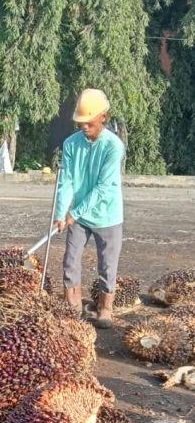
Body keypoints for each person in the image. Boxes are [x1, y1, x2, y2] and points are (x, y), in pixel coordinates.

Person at [53, 88, 125, 328]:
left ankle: (105, 308)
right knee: (70, 260)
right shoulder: (71, 144)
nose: (84, 126)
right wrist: (61, 214)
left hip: (107, 214)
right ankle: (72, 307)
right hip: (78, 217)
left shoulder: (113, 146)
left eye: (89, 121)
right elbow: (67, 182)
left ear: (103, 116)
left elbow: (104, 188)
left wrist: (75, 213)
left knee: (107, 264)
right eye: (80, 122)